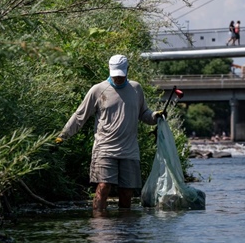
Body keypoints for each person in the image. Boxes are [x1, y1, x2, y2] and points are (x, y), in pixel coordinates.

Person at [55, 55, 164, 213]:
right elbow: (80, 116)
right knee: (104, 186)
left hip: (129, 150)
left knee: (127, 192)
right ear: (109, 71)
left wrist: (155, 116)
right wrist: (62, 136)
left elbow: (143, 113)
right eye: (115, 75)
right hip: (104, 149)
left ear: (127, 70)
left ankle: (126, 229)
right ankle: (100, 227)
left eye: (121, 75)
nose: (118, 79)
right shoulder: (98, 90)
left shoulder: (136, 88)